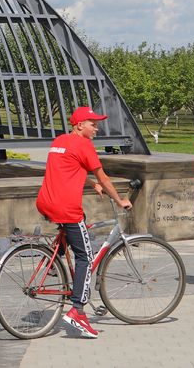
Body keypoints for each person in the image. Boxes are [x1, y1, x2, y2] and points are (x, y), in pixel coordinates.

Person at [35, 106, 132, 339]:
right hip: (67, 208)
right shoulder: (84, 145)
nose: (97, 128)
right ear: (79, 125)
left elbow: (69, 167)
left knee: (77, 237)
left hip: (45, 201)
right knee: (86, 257)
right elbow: (104, 177)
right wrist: (119, 200)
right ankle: (77, 310)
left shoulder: (60, 140)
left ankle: (54, 263)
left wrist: (90, 184)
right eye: (93, 124)